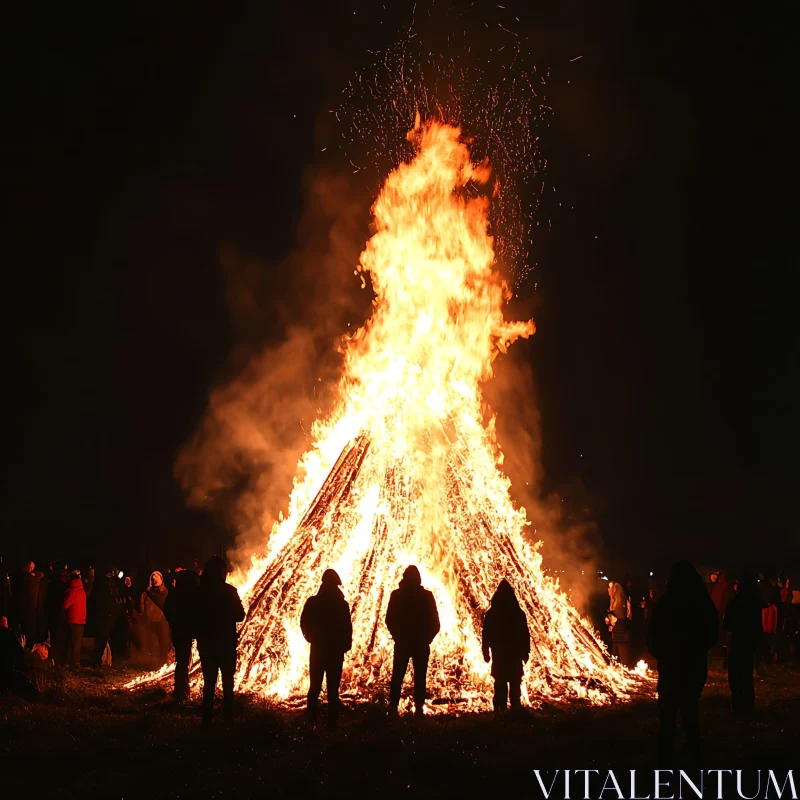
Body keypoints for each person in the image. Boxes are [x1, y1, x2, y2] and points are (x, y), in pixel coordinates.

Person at [647, 560, 718, 766]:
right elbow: (712, 633)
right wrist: (698, 648)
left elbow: (653, 635)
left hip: (671, 667)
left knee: (667, 713)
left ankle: (666, 756)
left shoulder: (666, 602)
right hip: (693, 666)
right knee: (689, 711)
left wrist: (661, 653)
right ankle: (695, 755)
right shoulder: (702, 602)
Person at [300, 569, 353, 729]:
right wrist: (344, 645)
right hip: (334, 652)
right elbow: (347, 628)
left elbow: (304, 623)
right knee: (332, 691)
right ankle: (332, 725)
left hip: (318, 650)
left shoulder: (313, 601)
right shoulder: (341, 604)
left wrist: (311, 638)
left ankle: (311, 722)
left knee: (314, 688)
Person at [196, 556, 245, 726]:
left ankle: (207, 720)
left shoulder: (200, 592)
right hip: (225, 642)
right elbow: (240, 615)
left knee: (209, 682)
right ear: (221, 572)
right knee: (227, 682)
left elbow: (195, 617)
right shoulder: (229, 591)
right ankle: (227, 719)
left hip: (207, 643)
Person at [386, 565, 440, 716]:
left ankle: (393, 707)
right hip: (420, 643)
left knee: (397, 675)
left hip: (403, 643)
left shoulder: (396, 595)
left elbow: (389, 619)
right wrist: (426, 639)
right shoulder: (426, 596)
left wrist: (397, 636)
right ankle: (419, 709)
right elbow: (435, 623)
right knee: (420, 677)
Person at [481, 579, 530, 712]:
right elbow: (525, 635)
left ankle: (500, 713)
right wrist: (525, 652)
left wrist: (486, 652)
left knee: (501, 686)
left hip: (500, 655)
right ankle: (514, 712)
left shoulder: (492, 614)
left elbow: (486, 635)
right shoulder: (518, 613)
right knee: (514, 687)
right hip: (513, 656)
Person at [723, 576, 762, 715]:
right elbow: (758, 626)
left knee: (735, 675)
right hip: (749, 642)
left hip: (737, 641)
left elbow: (726, 624)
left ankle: (737, 705)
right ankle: (748, 706)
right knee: (746, 675)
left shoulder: (734, 603)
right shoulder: (755, 604)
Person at [164, 569, 200, 702]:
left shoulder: (174, 594)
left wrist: (174, 623)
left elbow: (167, 611)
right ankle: (181, 691)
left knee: (182, 662)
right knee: (183, 662)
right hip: (185, 632)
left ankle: (181, 689)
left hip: (179, 631)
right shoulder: (191, 594)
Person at [92, 567, 122, 665]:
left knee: (107, 637)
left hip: (111, 613)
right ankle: (96, 659)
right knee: (102, 637)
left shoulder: (112, 582)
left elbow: (115, 595)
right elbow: (100, 599)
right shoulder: (101, 583)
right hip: (104, 613)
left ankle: (105, 659)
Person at [141, 571, 171, 666]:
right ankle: (151, 663)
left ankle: (163, 663)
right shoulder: (146, 593)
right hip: (150, 620)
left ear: (161, 579)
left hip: (162, 620)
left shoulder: (166, 593)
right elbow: (142, 606)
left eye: (157, 577)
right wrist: (145, 616)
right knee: (150, 644)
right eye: (153, 578)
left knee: (164, 643)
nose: (155, 579)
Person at [63, 570, 87, 671]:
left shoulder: (72, 591)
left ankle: (67, 663)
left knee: (70, 642)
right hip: (81, 620)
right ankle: (76, 662)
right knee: (77, 643)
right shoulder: (82, 590)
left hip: (72, 620)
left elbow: (65, 605)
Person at [10, 562, 39, 646]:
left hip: (18, 609)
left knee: (18, 633)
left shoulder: (15, 579)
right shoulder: (33, 580)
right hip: (29, 611)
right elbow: (35, 598)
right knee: (29, 634)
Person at [606, 580, 632, 666]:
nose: (608, 590)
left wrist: (611, 622)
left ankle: (624, 667)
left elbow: (618, 616)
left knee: (621, 649)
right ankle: (614, 667)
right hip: (617, 630)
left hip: (620, 630)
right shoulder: (614, 600)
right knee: (615, 650)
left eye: (610, 588)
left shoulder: (619, 600)